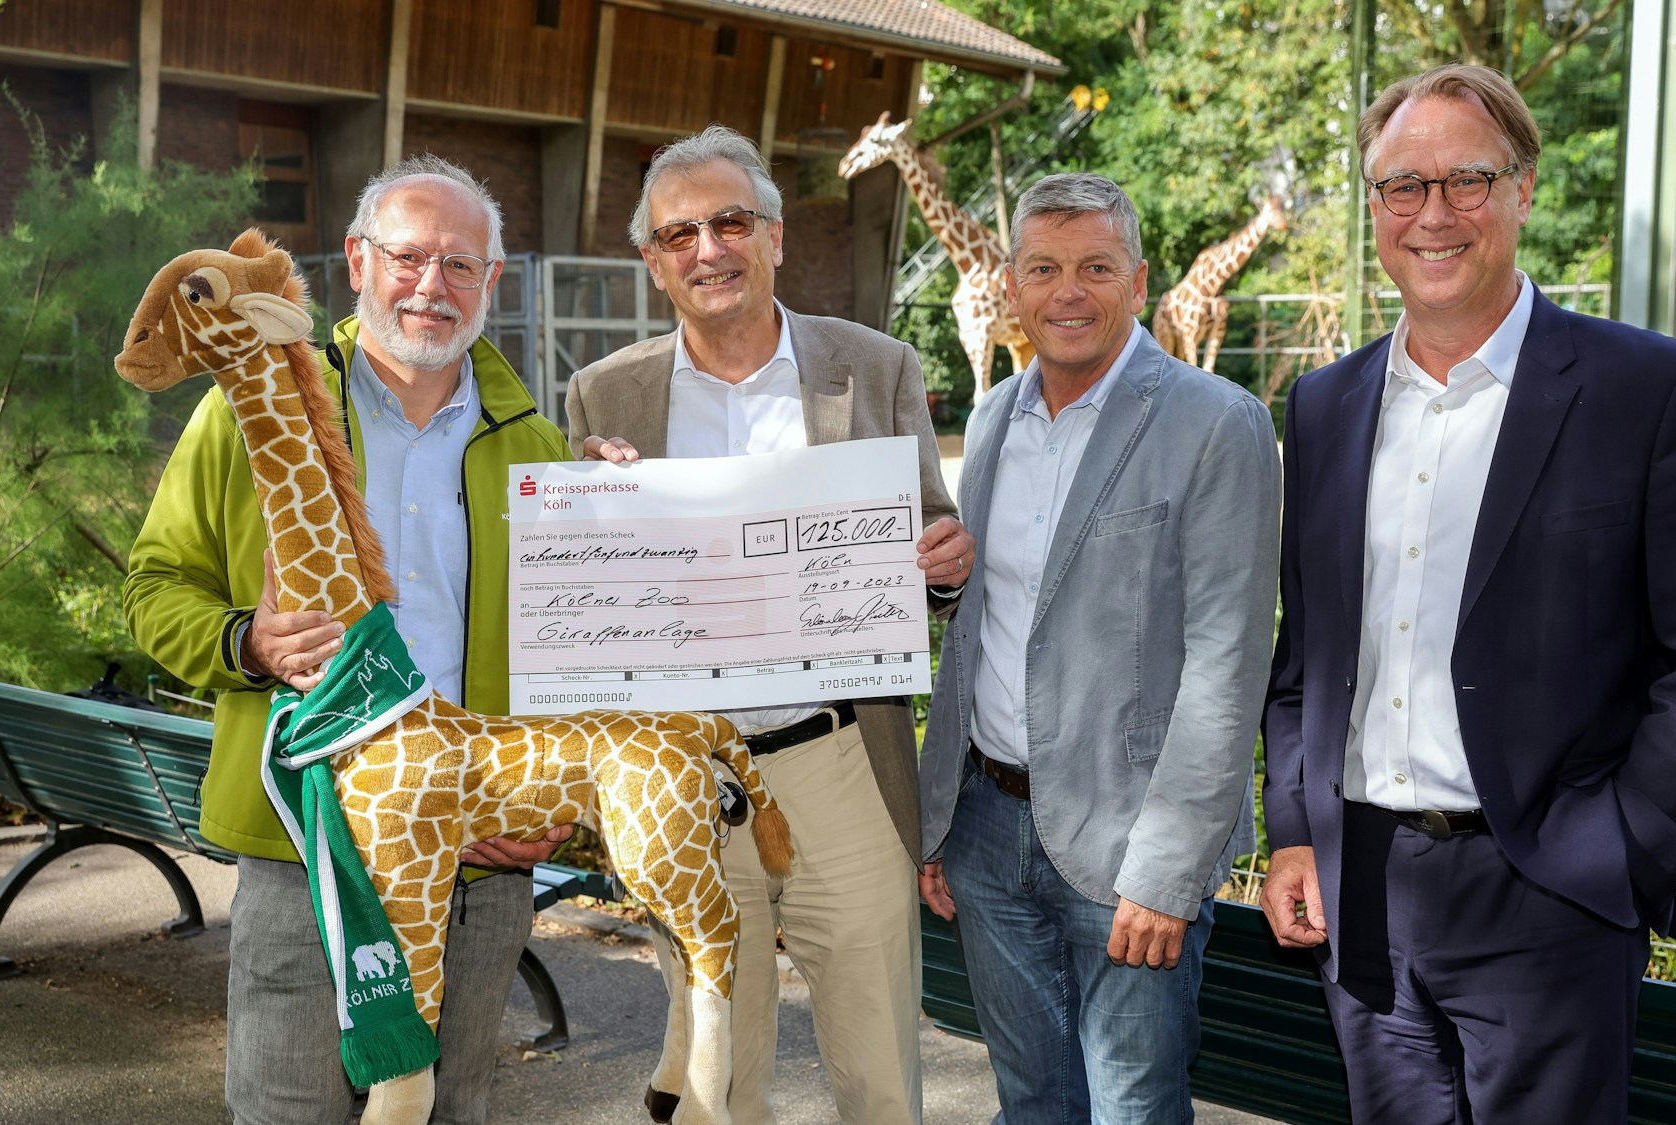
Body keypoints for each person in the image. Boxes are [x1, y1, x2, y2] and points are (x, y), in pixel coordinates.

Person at [1259, 63, 1676, 1123]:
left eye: (1467, 179)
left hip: (1547, 893)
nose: (1433, 214)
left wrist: (1624, 852)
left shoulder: (1647, 389)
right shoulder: (1323, 403)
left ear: (1523, 189)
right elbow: (1306, 656)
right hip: (1363, 887)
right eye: (1401, 187)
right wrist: (1291, 828)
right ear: (1372, 206)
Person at [124, 155, 574, 1124]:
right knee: (289, 1109)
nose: (431, 286)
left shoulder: (538, 452)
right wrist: (247, 642)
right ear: (357, 263)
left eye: (461, 265)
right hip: (305, 842)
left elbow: (579, 650)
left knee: (448, 1109)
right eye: (409, 257)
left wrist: (550, 797)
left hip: (476, 852)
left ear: (492, 282)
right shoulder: (254, 414)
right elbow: (154, 589)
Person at [565, 124, 971, 1125]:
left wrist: (943, 568)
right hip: (686, 779)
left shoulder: (874, 369)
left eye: (729, 221)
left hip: (838, 763)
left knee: (880, 1076)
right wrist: (586, 518)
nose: (708, 249)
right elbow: (586, 600)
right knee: (715, 1082)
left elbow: (923, 542)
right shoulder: (603, 395)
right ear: (653, 264)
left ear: (774, 237)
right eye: (678, 234)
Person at [915, 172, 1281, 1123]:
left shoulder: (1218, 422)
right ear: (1012, 282)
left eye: (1094, 267)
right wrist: (938, 819)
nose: (1066, 291)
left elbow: (1227, 663)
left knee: (1132, 1105)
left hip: (1130, 842)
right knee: (1032, 1099)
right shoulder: (994, 416)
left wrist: (1168, 869)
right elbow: (993, 623)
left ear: (1140, 279)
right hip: (988, 829)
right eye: (1042, 267)